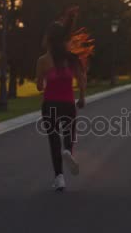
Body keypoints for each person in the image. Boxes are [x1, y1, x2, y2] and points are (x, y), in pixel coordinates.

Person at [36, 21, 87, 192]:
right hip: (67, 103)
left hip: (49, 104)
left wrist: (44, 81)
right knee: (69, 134)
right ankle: (67, 151)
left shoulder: (43, 61)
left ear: (49, 40)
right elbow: (81, 80)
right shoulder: (71, 59)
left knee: (53, 139)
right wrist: (82, 98)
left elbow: (39, 86)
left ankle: (59, 178)